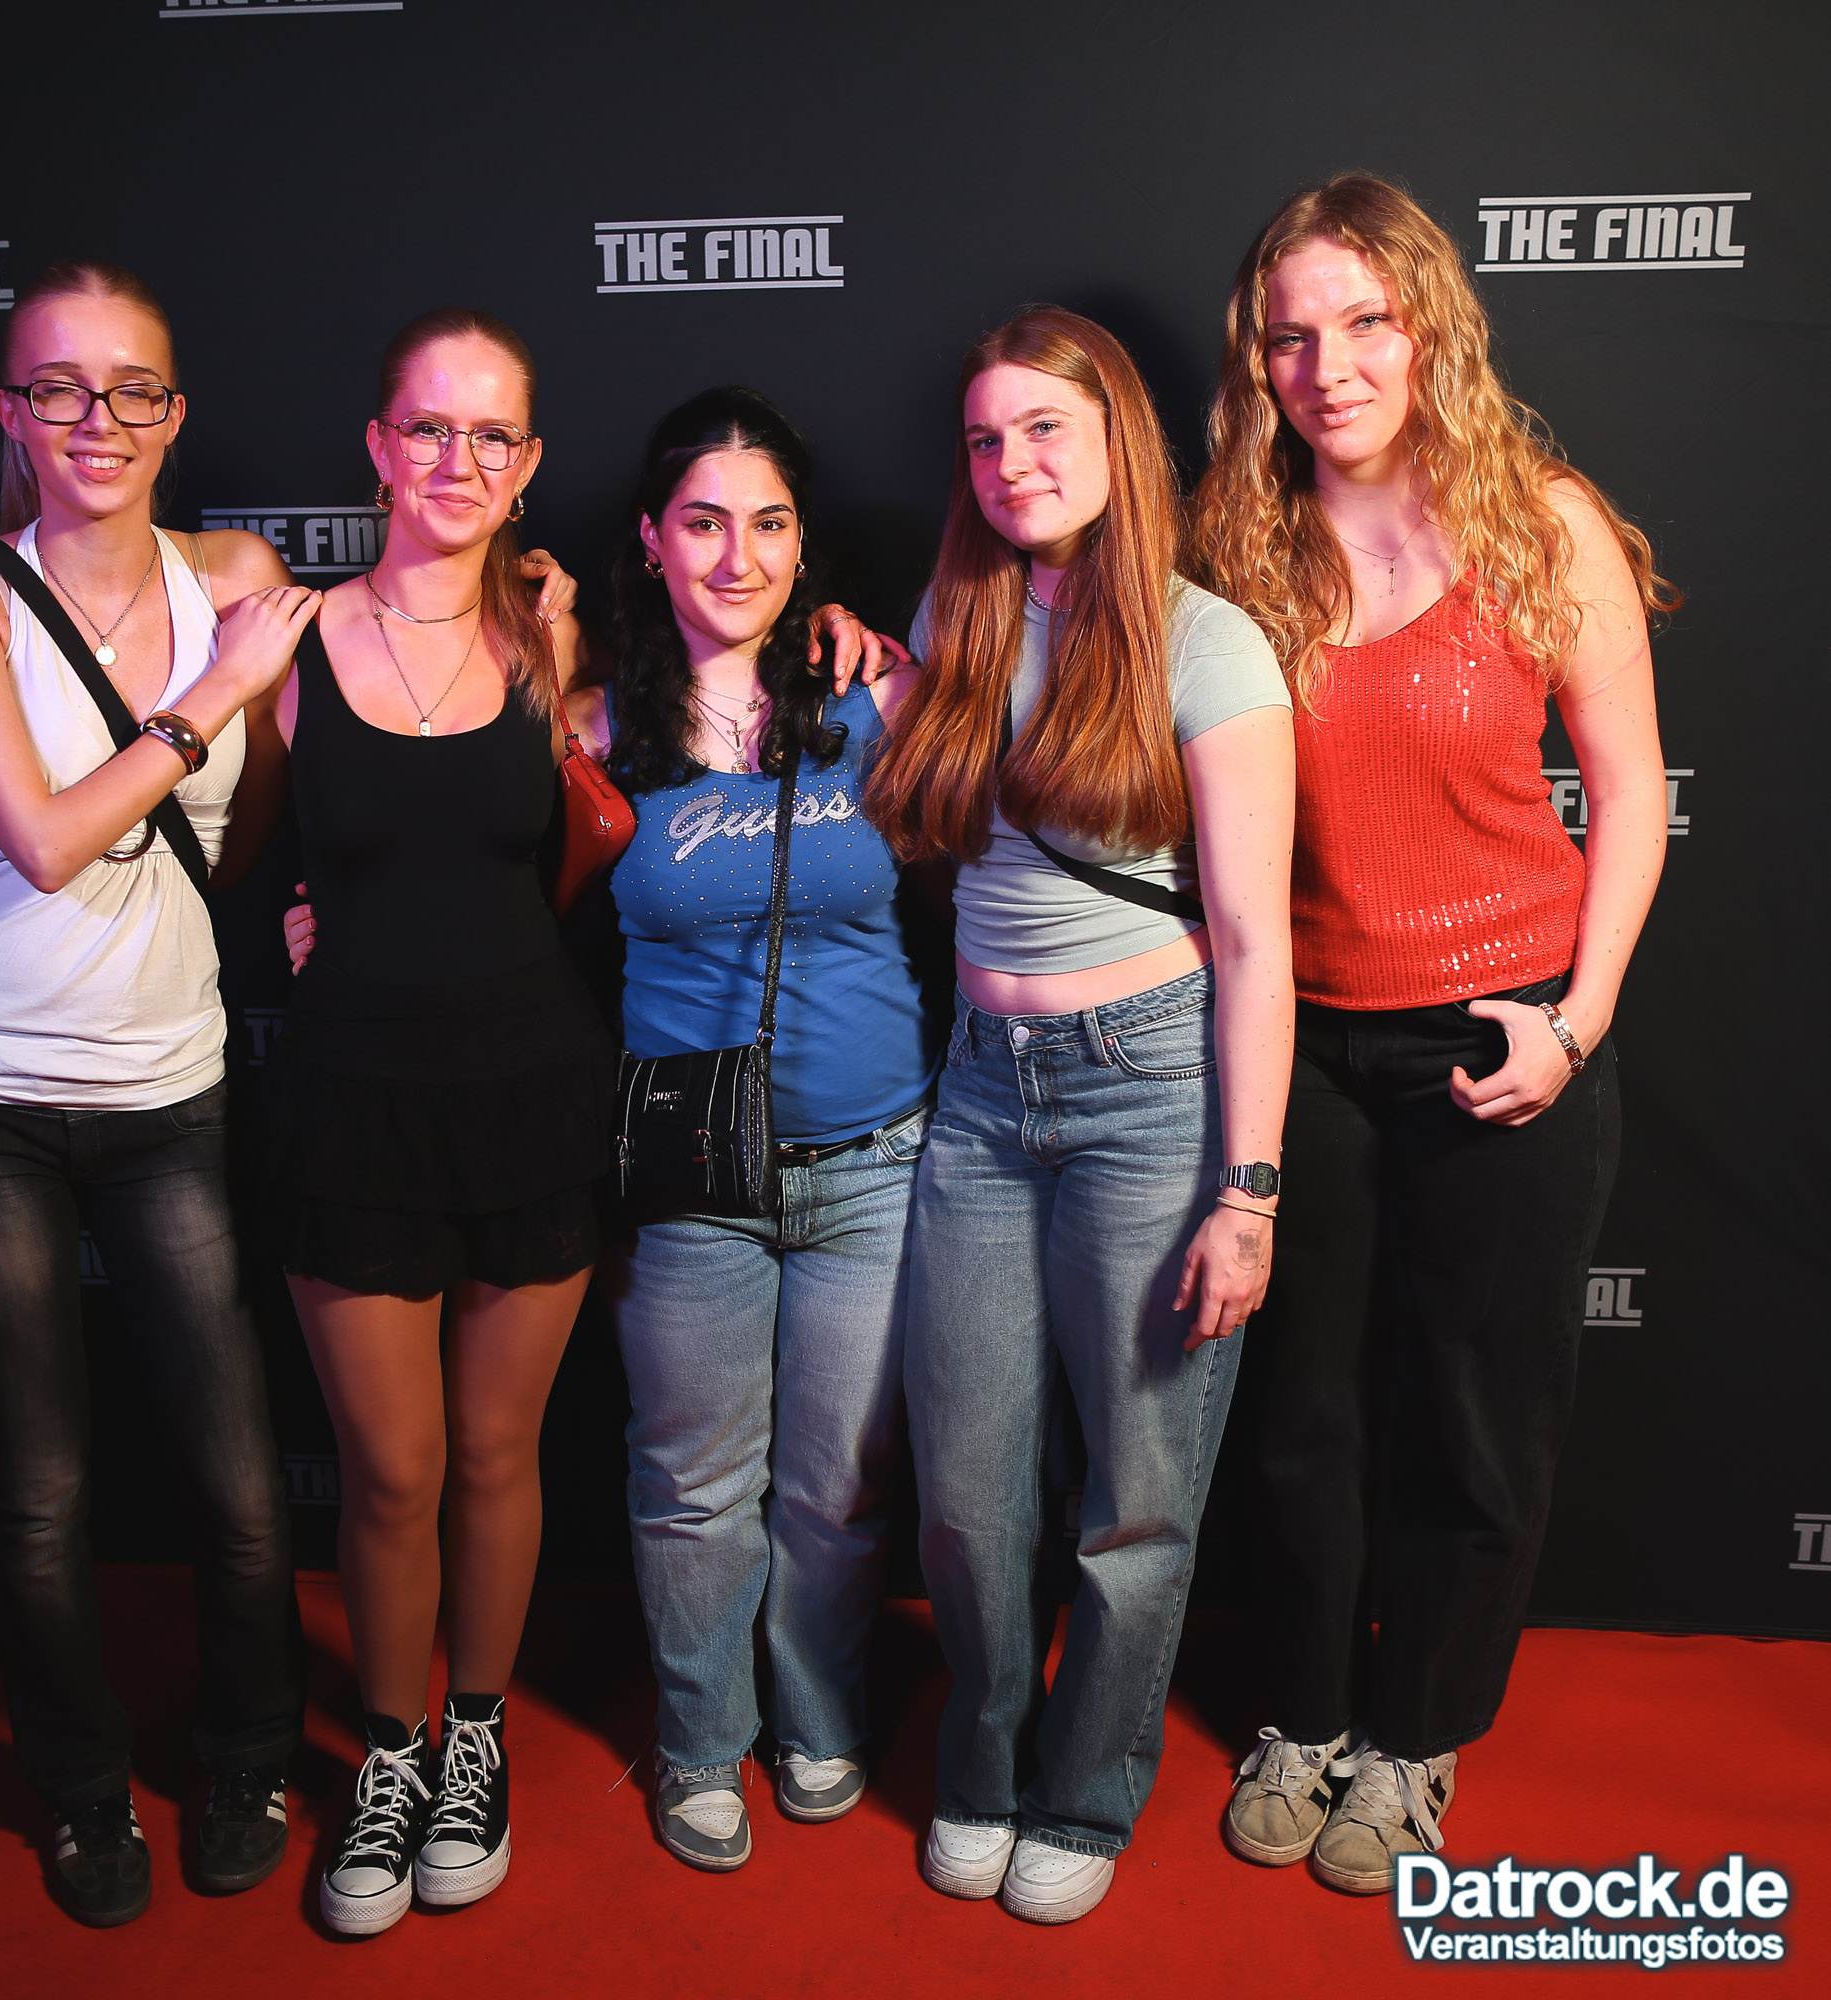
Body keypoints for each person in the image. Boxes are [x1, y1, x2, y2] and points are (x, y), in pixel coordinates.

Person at [268, 319, 890, 1936]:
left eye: (492, 435)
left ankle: (487, 1743)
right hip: (382, 1111)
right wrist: (308, 921)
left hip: (567, 1105)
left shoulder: (569, 648)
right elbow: (251, 839)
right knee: (400, 1472)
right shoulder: (304, 639)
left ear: (530, 464)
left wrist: (847, 631)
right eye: (429, 428)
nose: (457, 460)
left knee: (521, 1457)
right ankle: (406, 1755)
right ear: (377, 444)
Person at [1186, 172, 1671, 1895]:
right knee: (1302, 1413)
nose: (1327, 367)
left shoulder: (1539, 520)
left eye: (1363, 322)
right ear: (1257, 361)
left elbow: (1628, 792)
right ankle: (1303, 1713)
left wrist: (1574, 1023)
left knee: (1477, 1419)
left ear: (1427, 327)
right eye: (1289, 336)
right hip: (1307, 1043)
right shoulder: (1231, 548)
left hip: (1504, 1033)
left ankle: (1411, 1740)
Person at [0, 260, 318, 1928]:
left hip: (168, 1089)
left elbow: (246, 834)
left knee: (239, 1484)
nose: (97, 420)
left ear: (174, 412)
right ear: (11, 412)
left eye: (132, 388)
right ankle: (78, 1795)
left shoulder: (239, 579)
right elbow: (50, 842)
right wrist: (209, 696)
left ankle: (248, 1757)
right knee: (40, 1492)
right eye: (57, 388)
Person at [864, 305, 1296, 1926]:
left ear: (1117, 438)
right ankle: (979, 1764)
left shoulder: (1205, 643)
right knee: (965, 1494)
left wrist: (1246, 1191)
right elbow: (928, 837)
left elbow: (1252, 940)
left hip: (1151, 1088)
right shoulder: (956, 615)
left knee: (1136, 1498)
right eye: (985, 438)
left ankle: (1084, 1792)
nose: (1011, 461)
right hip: (980, 1089)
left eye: (1044, 427)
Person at [575, 387, 934, 1871]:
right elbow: (480, 890)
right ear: (652, 540)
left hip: (874, 1159)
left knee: (838, 1486)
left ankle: (817, 1714)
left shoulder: (874, 699)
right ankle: (698, 1738)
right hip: (685, 1172)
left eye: (769, 523)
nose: (738, 557)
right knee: (690, 1483)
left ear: (803, 542)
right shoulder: (589, 725)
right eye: (705, 522)